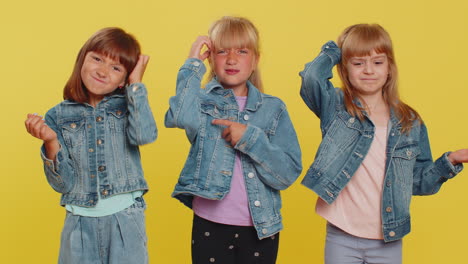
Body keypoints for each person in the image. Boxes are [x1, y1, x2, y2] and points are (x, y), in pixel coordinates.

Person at [299, 23, 468, 264]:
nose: (368, 70)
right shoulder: (336, 107)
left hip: (388, 237)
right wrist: (337, 49)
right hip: (341, 234)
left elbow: (419, 183)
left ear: (390, 68)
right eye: (358, 63)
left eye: (378, 62)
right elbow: (311, 78)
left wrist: (449, 162)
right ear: (344, 69)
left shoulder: (409, 121)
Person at [165, 16, 302, 264]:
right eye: (221, 51)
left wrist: (250, 138)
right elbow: (179, 115)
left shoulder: (274, 109)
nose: (231, 59)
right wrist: (192, 64)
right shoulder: (203, 103)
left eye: (242, 51)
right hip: (211, 223)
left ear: (255, 60)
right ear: (210, 58)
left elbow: (288, 173)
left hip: (261, 227)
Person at [24, 27, 157, 264]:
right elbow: (63, 183)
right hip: (79, 223)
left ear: (123, 80)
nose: (103, 71)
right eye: (97, 59)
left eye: (116, 68)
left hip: (125, 219)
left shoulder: (127, 106)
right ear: (82, 58)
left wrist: (135, 85)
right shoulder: (58, 116)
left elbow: (144, 135)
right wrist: (51, 141)